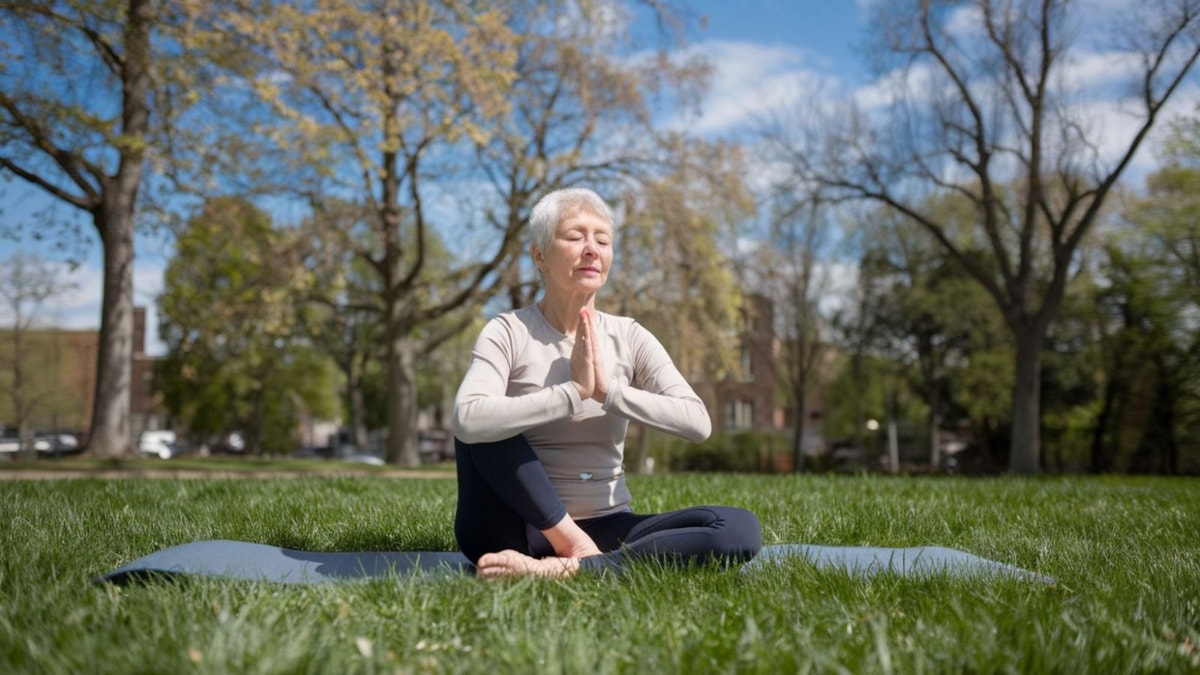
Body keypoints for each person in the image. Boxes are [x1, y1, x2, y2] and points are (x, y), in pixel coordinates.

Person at [451, 187, 761, 579]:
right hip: (509, 528)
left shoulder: (630, 336)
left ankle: (576, 569)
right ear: (539, 255)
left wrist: (607, 392)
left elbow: (697, 423)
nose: (592, 249)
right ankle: (579, 552)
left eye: (602, 239)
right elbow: (465, 419)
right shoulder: (508, 331)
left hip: (606, 524)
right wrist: (572, 393)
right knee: (484, 423)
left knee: (737, 528)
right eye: (575, 236)